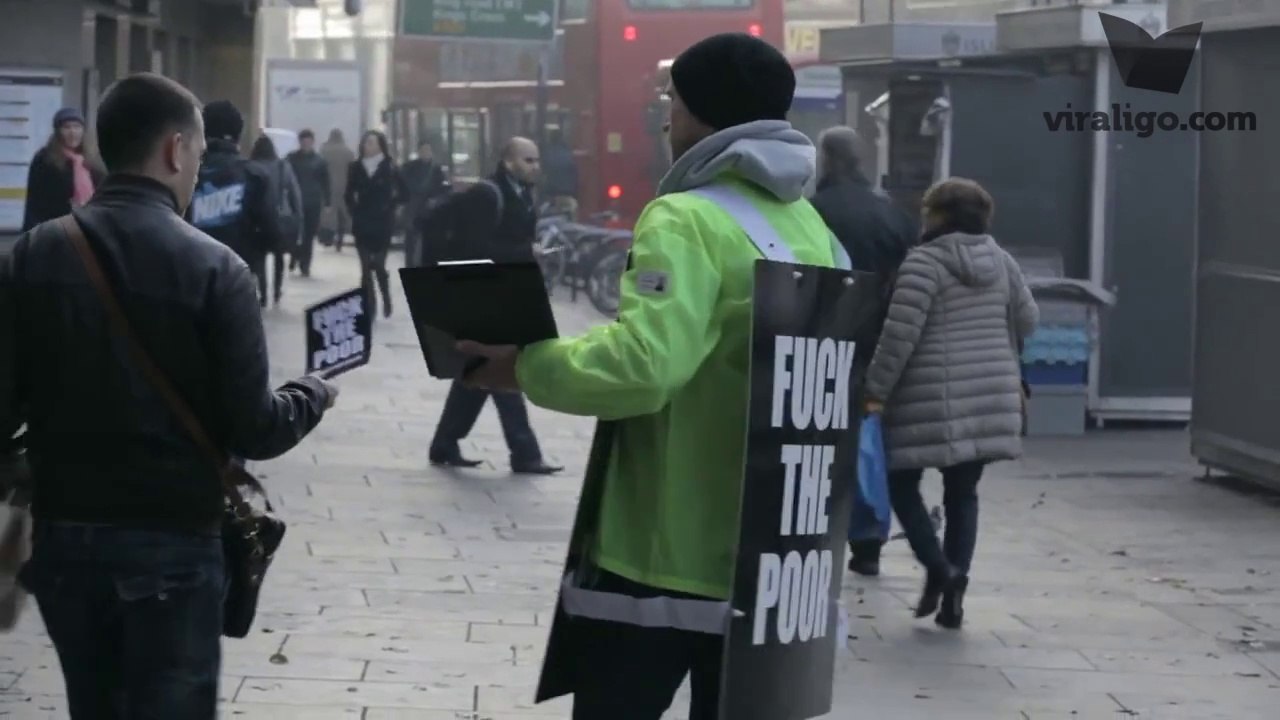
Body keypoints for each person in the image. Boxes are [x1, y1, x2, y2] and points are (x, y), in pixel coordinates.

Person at [458, 34, 836, 718]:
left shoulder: (686, 217)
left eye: (672, 102)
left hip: (661, 554)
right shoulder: (809, 224)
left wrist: (530, 365)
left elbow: (646, 365)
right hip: (772, 553)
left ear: (695, 115)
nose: (666, 118)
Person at [0, 72, 337, 718]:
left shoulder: (36, 254)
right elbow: (256, 427)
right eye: (200, 156)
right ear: (177, 151)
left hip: (67, 542)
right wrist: (313, 393)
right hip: (173, 544)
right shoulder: (216, 268)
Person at [862, 177, 1038, 629]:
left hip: (927, 395)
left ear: (937, 216)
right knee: (963, 493)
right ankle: (953, 599)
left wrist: (874, 389)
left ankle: (940, 569)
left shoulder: (923, 264)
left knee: (901, 484)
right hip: (987, 394)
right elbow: (1028, 320)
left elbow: (899, 336)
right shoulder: (1001, 261)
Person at [810, 125, 919, 577]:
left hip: (820, 334)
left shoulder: (811, 213)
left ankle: (816, 526)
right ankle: (868, 535)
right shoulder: (890, 214)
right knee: (867, 433)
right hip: (876, 338)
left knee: (814, 436)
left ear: (828, 160)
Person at [424, 137, 563, 476]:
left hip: (504, 293)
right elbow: (476, 248)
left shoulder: (520, 193)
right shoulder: (488, 195)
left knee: (478, 373)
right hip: (483, 294)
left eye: (537, 160)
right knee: (503, 372)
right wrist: (525, 253)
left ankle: (445, 443)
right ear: (508, 161)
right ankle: (525, 453)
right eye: (528, 160)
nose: (536, 166)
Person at [188, 101, 283, 303]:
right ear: (238, 135)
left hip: (189, 278)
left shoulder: (185, 172)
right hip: (237, 277)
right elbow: (271, 230)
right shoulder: (254, 175)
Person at [344, 130, 405, 319]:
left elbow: (404, 193)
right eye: (365, 142)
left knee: (378, 264)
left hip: (382, 222)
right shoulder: (355, 167)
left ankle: (385, 296)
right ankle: (369, 306)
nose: (367, 146)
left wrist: (391, 207)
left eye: (371, 142)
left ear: (380, 145)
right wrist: (354, 210)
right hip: (362, 222)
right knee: (364, 267)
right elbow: (348, 193)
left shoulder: (390, 167)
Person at [22, 107, 105, 232]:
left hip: (90, 229)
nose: (73, 132)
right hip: (55, 231)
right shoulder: (45, 160)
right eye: (67, 127)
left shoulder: (93, 161)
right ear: (58, 131)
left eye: (77, 127)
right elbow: (34, 202)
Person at [249, 135, 302, 307]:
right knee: (279, 256)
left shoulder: (250, 167)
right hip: (278, 217)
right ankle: (277, 290)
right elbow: (294, 193)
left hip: (257, 218)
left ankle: (263, 293)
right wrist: (297, 215)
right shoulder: (282, 166)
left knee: (260, 257)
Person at [286, 129, 331, 277]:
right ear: (300, 142)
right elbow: (285, 179)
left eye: (308, 141)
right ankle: (295, 254)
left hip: (313, 201)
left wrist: (328, 202)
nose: (306, 144)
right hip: (295, 201)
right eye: (303, 141)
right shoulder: (291, 158)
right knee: (294, 232)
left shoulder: (319, 161)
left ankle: (305, 264)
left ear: (312, 142)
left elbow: (326, 182)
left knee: (309, 235)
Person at [400, 140, 451, 266]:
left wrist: (436, 200)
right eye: (423, 150)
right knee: (410, 244)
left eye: (428, 150)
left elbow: (445, 191)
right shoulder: (409, 167)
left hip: (429, 211)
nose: (425, 153)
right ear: (419, 152)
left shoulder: (437, 170)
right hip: (412, 210)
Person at [322, 128, 356, 251]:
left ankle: (328, 238)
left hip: (328, 186)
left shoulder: (324, 151)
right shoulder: (348, 152)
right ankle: (340, 239)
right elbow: (354, 170)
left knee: (328, 214)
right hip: (344, 186)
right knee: (342, 215)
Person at [541, 128, 578, 219]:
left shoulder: (547, 153)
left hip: (552, 194)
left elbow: (543, 171)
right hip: (568, 193)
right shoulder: (567, 152)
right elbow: (574, 170)